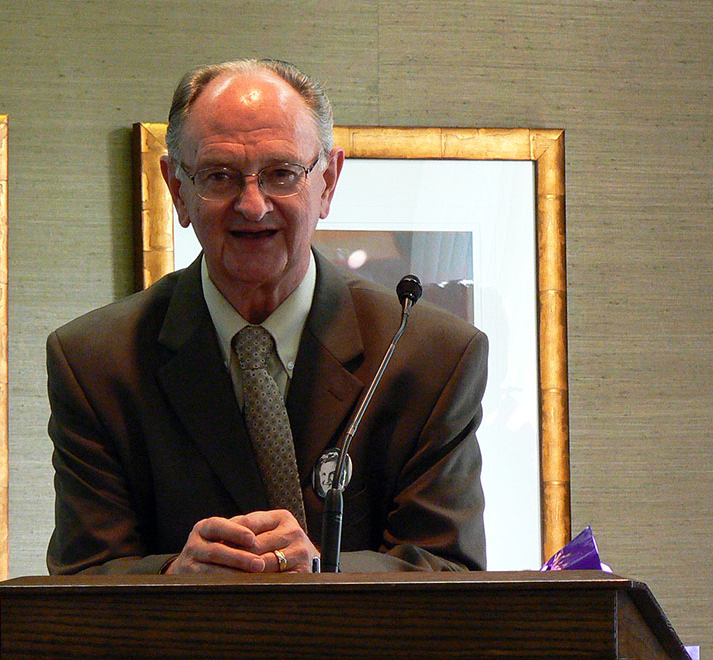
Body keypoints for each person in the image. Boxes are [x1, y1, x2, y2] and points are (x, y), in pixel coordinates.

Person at [46, 59, 487, 575]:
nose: (252, 205)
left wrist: (325, 572)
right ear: (176, 188)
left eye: (281, 174)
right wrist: (170, 581)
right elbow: (80, 580)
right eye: (219, 175)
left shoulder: (430, 356)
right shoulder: (96, 362)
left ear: (327, 182)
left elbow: (451, 571)